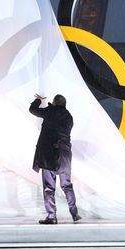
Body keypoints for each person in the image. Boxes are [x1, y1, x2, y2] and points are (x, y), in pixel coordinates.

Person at [30, 93, 81, 224]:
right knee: (67, 185)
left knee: (49, 187)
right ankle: (74, 213)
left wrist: (38, 100)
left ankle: (52, 216)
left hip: (49, 155)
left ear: (54, 103)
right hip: (64, 156)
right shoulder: (69, 117)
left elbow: (33, 110)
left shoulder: (50, 112)